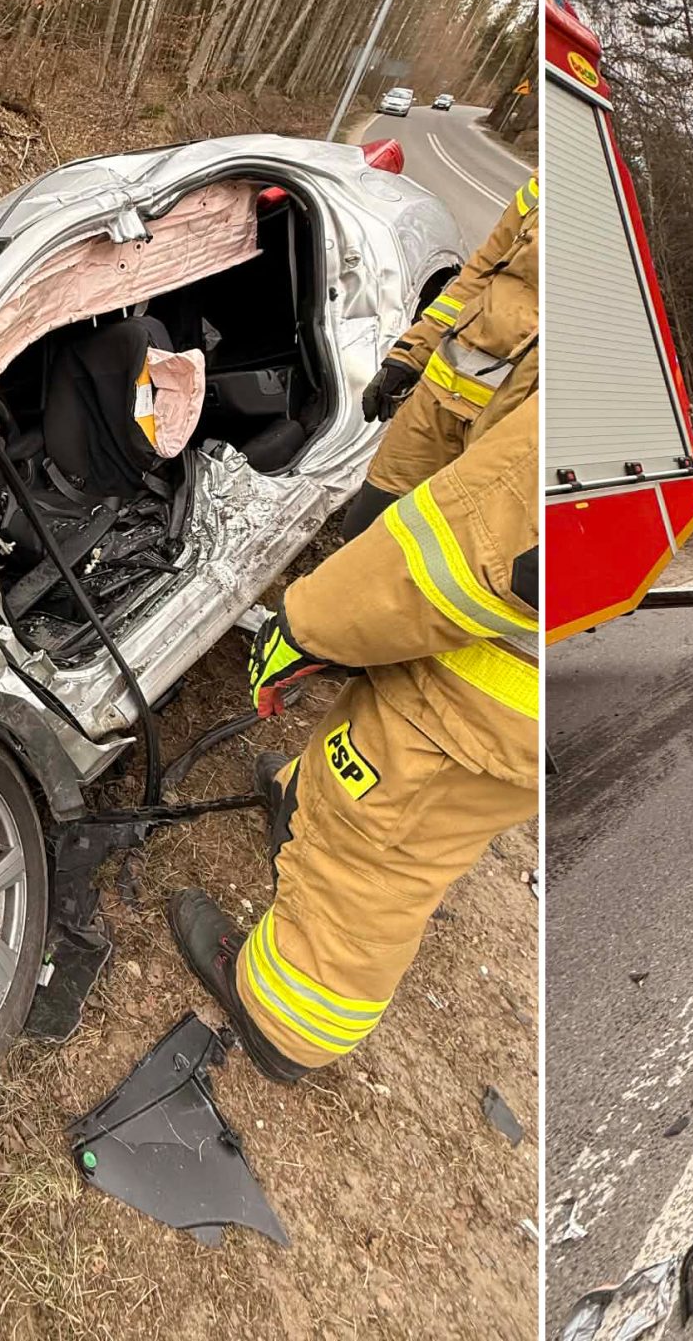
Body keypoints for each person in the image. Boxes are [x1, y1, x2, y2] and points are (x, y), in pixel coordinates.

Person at [166, 199, 541, 1085]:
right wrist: (415, 354)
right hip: (460, 472)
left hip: (489, 690)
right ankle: (303, 798)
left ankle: (284, 1018)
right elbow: (482, 274)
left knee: (378, 841)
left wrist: (310, 623)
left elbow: (457, 555)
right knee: (360, 758)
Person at [340, 175, 538, 540]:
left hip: (511, 430)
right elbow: (477, 275)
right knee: (367, 526)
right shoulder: (543, 186)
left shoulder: (623, 225)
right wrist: (411, 353)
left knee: (454, 547)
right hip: (442, 397)